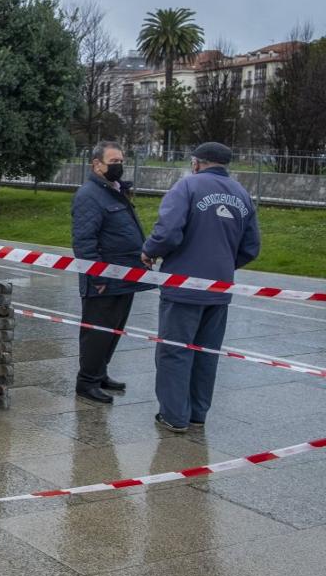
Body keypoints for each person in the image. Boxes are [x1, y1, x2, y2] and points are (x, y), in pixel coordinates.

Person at [141, 142, 260, 432]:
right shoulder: (242, 195)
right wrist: (222, 264)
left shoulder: (186, 187)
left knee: (175, 351)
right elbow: (251, 247)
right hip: (219, 289)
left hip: (183, 287)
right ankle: (197, 414)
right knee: (206, 353)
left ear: (196, 163)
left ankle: (173, 416)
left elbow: (168, 232)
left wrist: (149, 251)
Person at [71, 141, 150, 404]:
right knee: (97, 332)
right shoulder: (89, 195)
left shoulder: (113, 190)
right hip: (104, 279)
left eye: (121, 161)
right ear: (97, 164)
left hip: (125, 276)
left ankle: (100, 373)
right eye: (114, 162)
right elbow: (84, 242)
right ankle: (87, 382)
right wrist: (98, 277)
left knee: (114, 330)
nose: (119, 166)